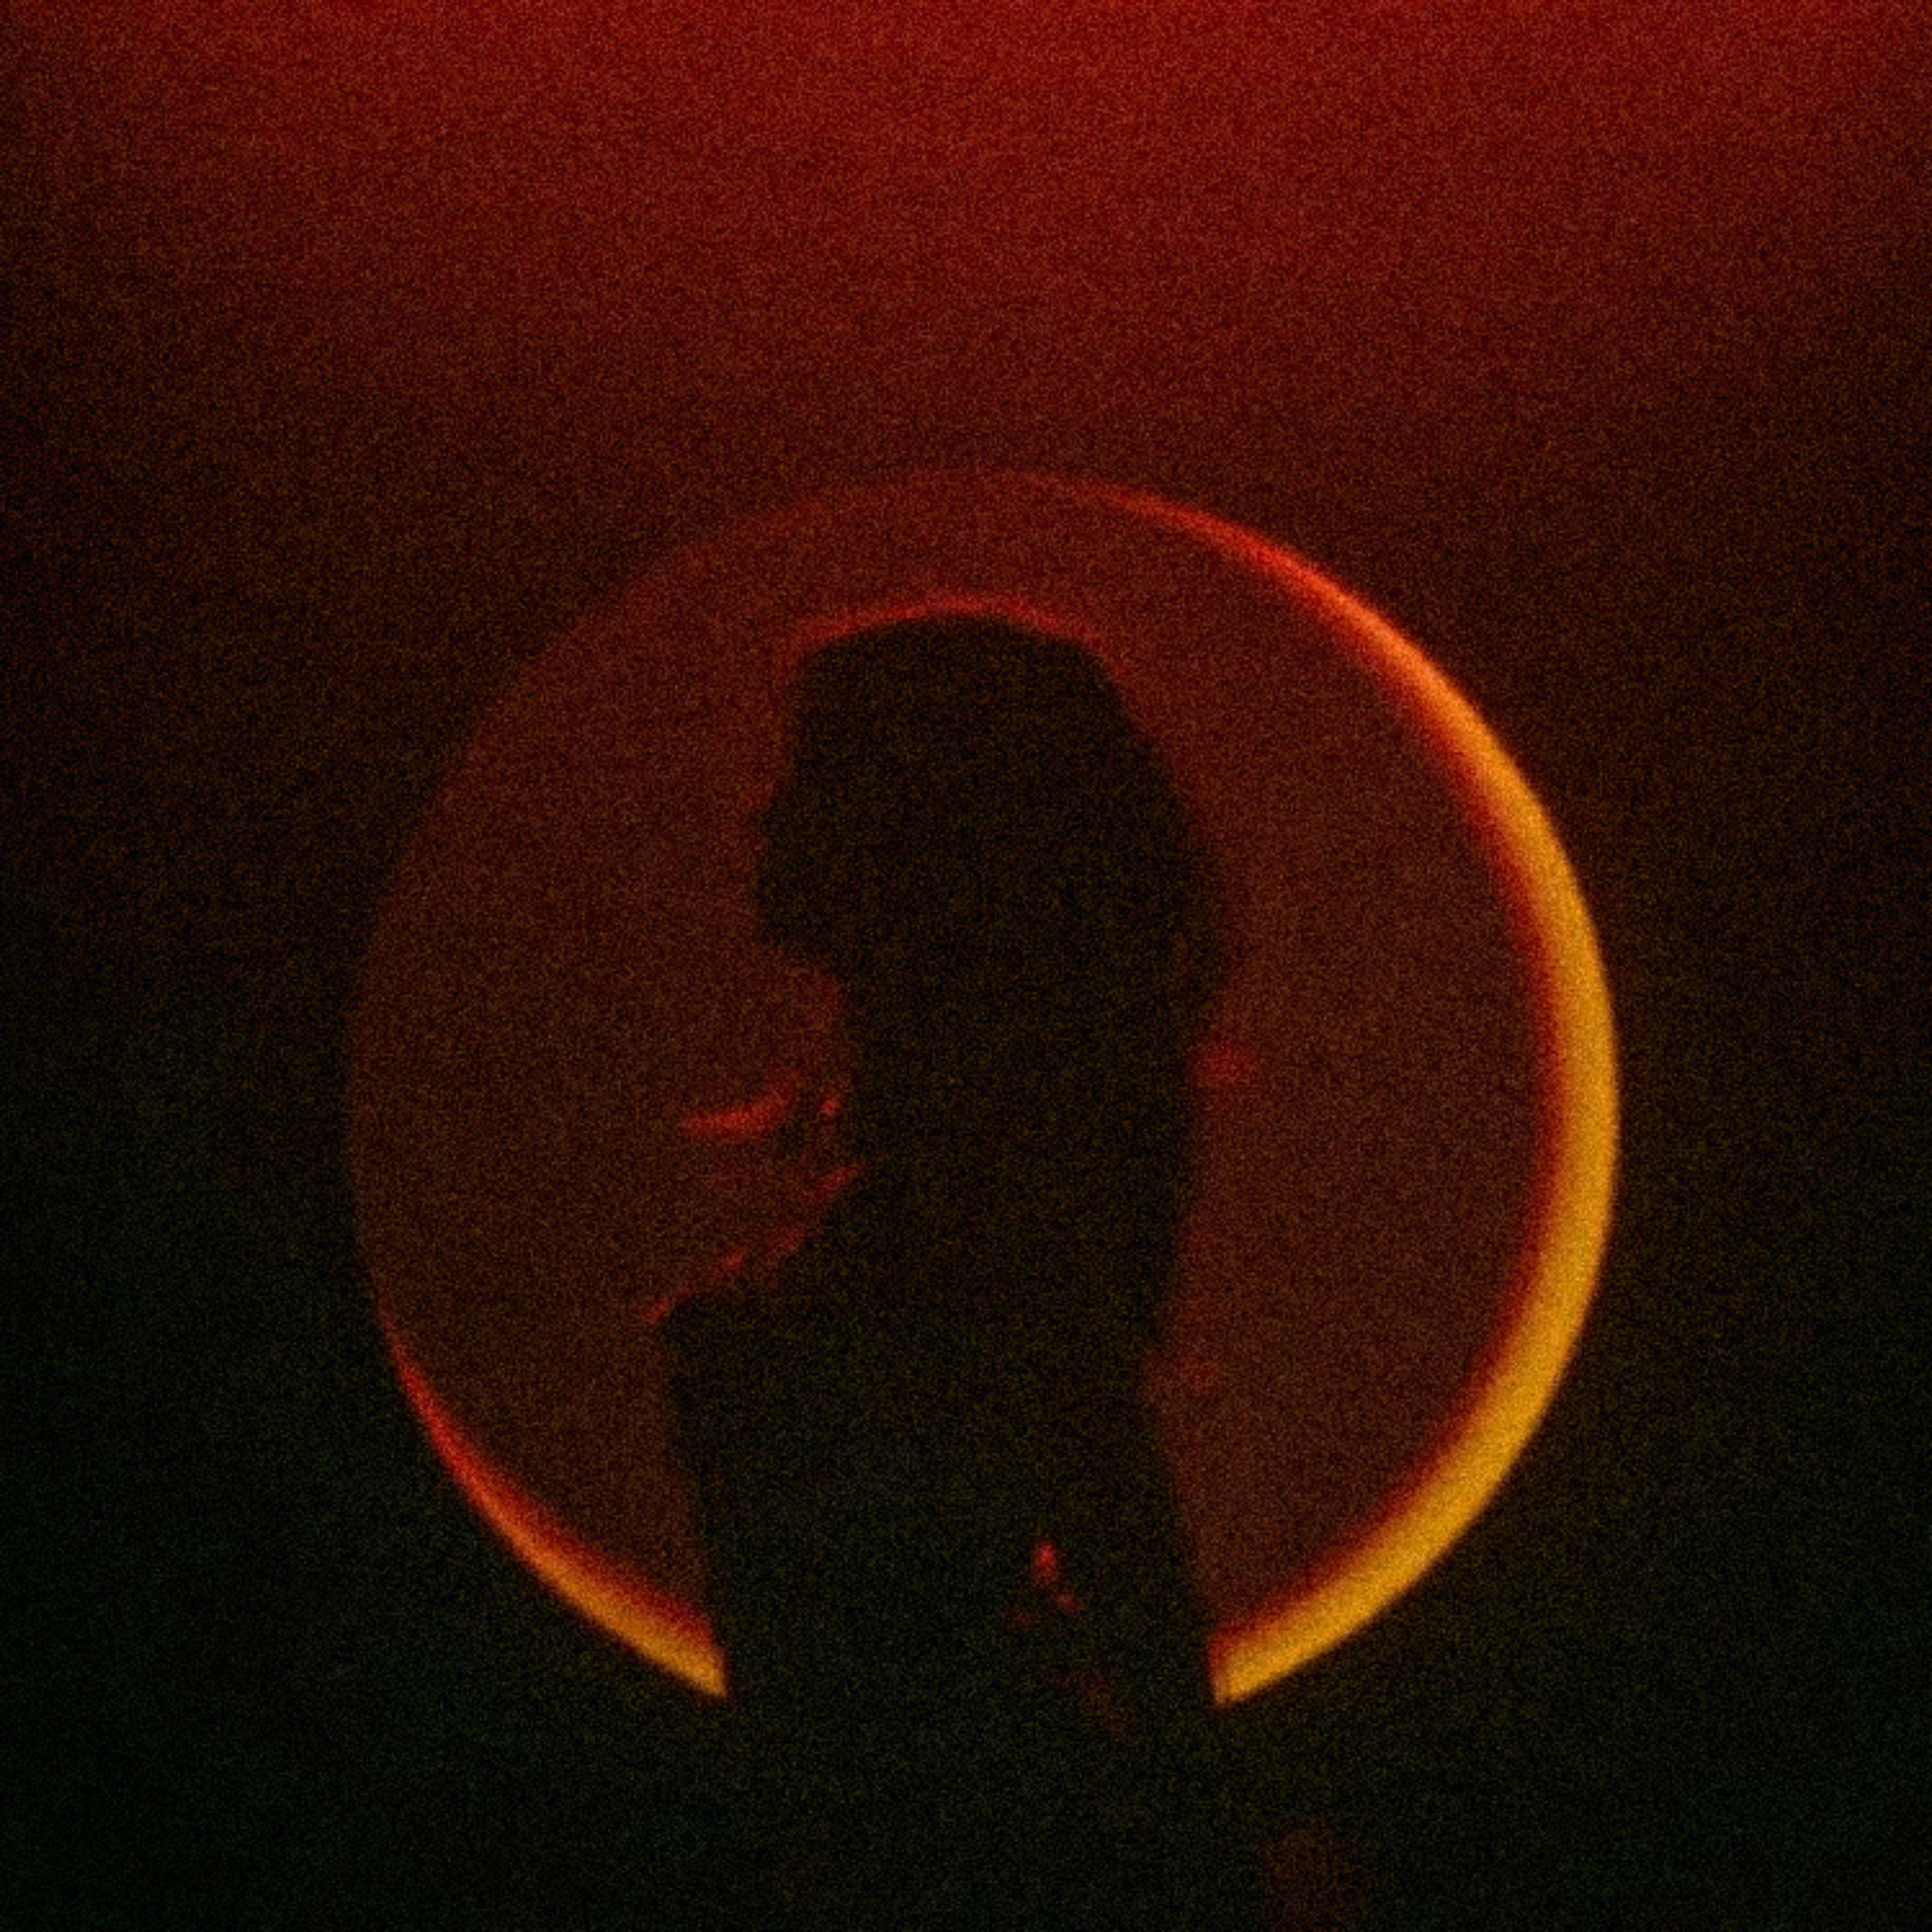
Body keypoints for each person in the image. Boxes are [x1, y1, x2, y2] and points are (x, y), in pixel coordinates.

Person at [659, 615, 1264, 1929]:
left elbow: (1108, 1512)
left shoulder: (985, 1192)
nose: (765, 813)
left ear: (923, 830)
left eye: (809, 772)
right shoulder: (986, 1174)